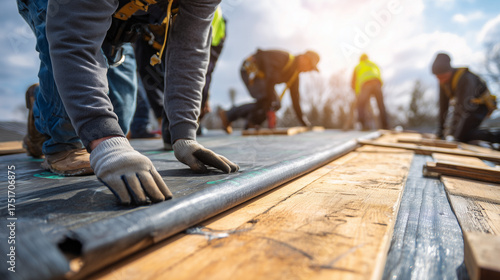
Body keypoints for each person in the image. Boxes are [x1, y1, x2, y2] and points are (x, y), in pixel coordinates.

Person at [17, 0, 239, 205]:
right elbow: (73, 39)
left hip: (119, 16)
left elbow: (190, 51)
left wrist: (184, 135)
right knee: (83, 133)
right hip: (59, 7)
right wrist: (104, 139)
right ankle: (59, 139)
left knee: (118, 118)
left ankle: (43, 105)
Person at [133, 6, 227, 141]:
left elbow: (196, 71)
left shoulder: (197, 18)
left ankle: (190, 120)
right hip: (153, 25)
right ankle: (169, 121)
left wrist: (185, 124)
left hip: (208, 34)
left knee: (197, 73)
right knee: (149, 72)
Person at [219, 49, 319, 133]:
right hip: (250, 67)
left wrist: (304, 122)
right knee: (267, 100)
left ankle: (251, 123)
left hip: (263, 78)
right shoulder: (284, 58)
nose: (309, 70)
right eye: (310, 66)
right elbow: (270, 76)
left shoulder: (294, 76)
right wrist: (270, 102)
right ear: (304, 58)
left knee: (276, 104)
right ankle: (228, 115)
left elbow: (295, 99)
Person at [431, 53, 499, 143]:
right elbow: (443, 107)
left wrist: (452, 136)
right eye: (438, 78)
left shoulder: (465, 78)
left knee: (462, 136)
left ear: (449, 71)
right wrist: (440, 131)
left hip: (479, 106)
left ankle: (497, 137)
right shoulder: (443, 82)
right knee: (463, 135)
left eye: (443, 77)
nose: (441, 80)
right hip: (466, 107)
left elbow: (462, 108)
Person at [350, 53, 389, 130]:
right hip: (377, 83)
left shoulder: (358, 66)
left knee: (360, 104)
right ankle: (385, 126)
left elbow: (353, 82)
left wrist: (357, 93)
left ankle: (363, 125)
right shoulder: (373, 64)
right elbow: (379, 74)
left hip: (365, 85)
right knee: (381, 105)